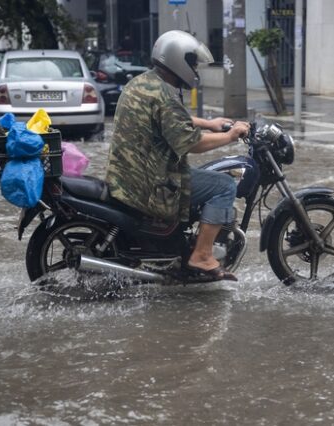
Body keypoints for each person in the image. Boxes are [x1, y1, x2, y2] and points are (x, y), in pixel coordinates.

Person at [106, 30, 250, 282]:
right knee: (225, 185)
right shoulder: (164, 96)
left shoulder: (143, 83)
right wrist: (231, 135)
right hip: (151, 183)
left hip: (127, 175)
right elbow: (191, 144)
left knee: (204, 178)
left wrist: (208, 122)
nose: (195, 70)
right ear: (177, 61)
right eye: (192, 64)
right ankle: (202, 256)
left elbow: (169, 119)